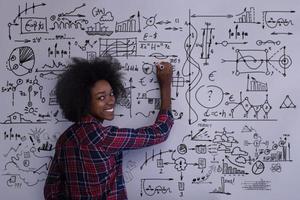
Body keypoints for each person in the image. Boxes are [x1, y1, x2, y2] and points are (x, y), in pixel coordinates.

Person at [44, 57, 173, 200]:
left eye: (111, 94)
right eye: (101, 97)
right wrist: (165, 84)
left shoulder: (65, 139)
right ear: (83, 99)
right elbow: (160, 132)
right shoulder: (104, 137)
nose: (111, 100)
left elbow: (51, 190)